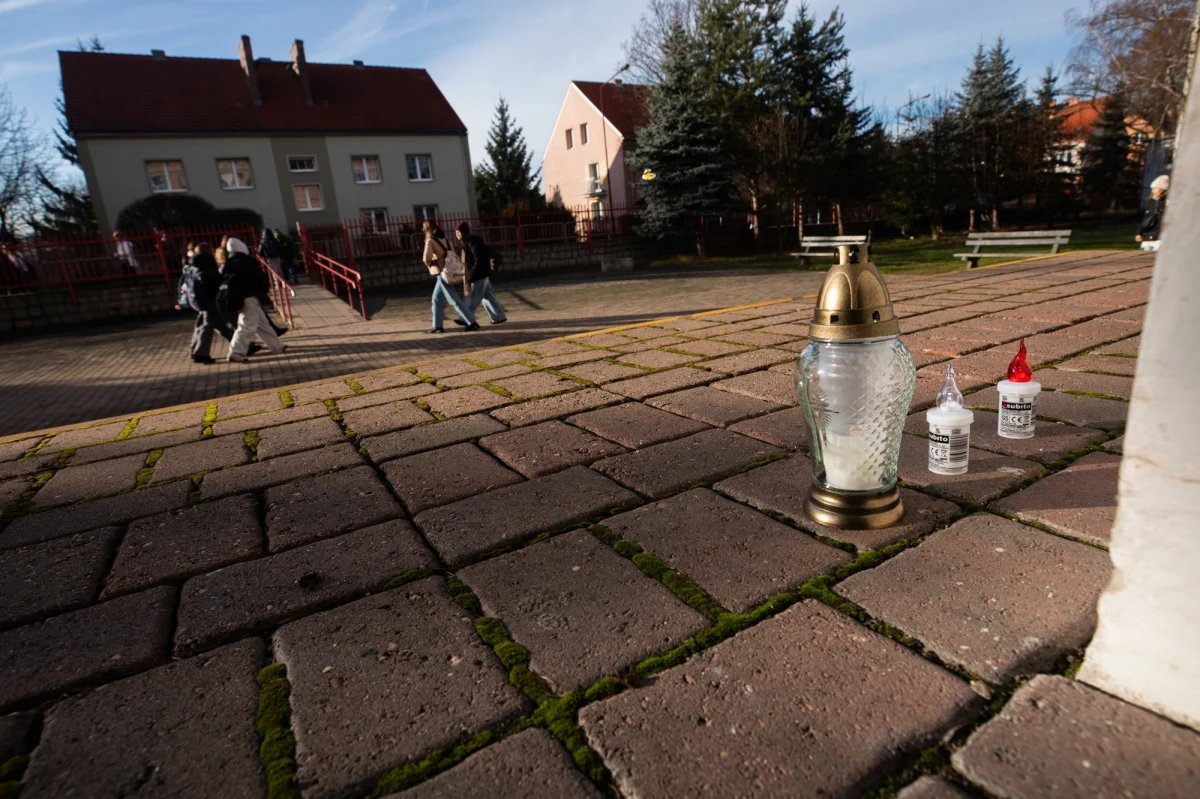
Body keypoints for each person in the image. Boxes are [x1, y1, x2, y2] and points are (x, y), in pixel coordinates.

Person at [221, 237, 285, 363]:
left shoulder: (229, 264)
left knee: (262, 323)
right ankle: (236, 351)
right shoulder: (245, 262)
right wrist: (263, 291)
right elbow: (259, 278)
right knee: (247, 325)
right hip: (249, 296)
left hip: (238, 297)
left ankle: (277, 346)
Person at [180, 243, 234, 364]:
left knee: (217, 324)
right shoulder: (207, 265)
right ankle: (201, 353)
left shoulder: (194, 265)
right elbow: (214, 282)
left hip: (199, 300)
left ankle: (240, 344)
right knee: (208, 325)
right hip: (208, 301)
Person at [422, 220, 478, 334]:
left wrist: (432, 263)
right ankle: (437, 326)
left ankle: (472, 322)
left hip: (442, 273)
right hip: (448, 272)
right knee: (436, 299)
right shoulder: (446, 240)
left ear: (427, 229)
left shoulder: (430, 241)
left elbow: (426, 258)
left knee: (454, 300)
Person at [454, 222, 508, 325]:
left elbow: (478, 260)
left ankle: (464, 318)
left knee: (475, 297)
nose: (457, 234)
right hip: (482, 272)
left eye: (458, 232)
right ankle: (498, 316)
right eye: (456, 232)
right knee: (488, 296)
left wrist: (471, 275)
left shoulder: (472, 242)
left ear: (463, 232)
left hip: (480, 274)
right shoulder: (467, 243)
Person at [1136, 174, 1169, 251]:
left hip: (1159, 238)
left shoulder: (1166, 203)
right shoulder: (1151, 202)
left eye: (1155, 188)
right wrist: (1139, 233)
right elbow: (1146, 218)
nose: (1153, 191)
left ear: (1162, 189)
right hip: (1148, 236)